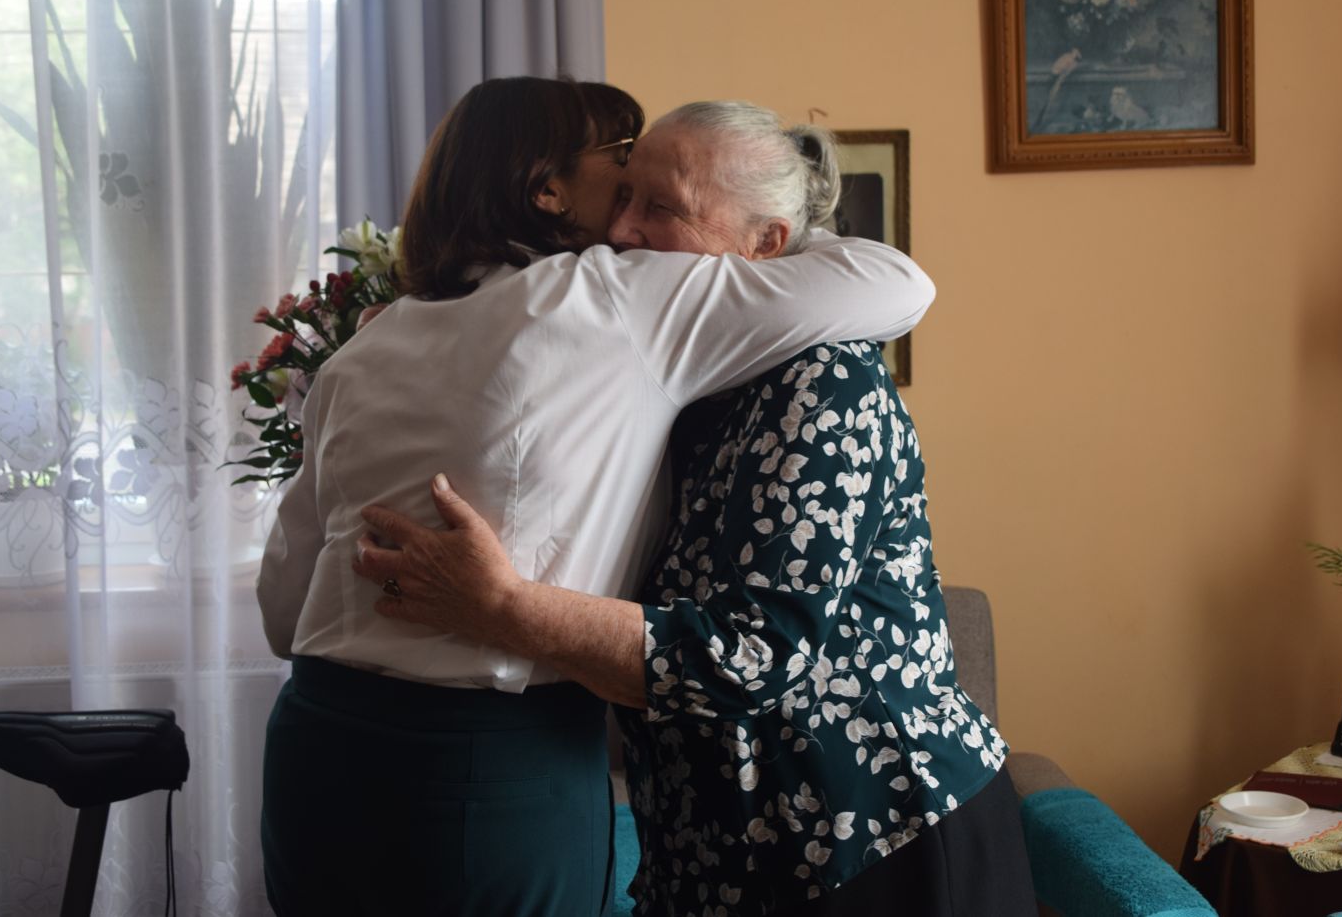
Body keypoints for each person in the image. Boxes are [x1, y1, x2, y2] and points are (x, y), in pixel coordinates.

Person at [256, 81, 935, 917]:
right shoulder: (618, 296)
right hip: (485, 765)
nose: (626, 199)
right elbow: (895, 282)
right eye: (619, 161)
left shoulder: (363, 349)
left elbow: (282, 612)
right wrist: (781, 228)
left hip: (314, 748)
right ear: (548, 189)